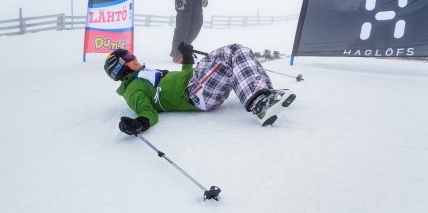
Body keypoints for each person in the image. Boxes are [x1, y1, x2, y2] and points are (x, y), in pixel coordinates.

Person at [104, 43, 296, 135]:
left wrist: (187, 59)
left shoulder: (144, 74)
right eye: (127, 57)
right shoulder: (133, 90)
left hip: (196, 80)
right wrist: (140, 123)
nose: (133, 56)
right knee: (232, 53)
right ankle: (259, 104)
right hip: (195, 94)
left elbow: (176, 79)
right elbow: (147, 112)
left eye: (130, 53)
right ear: (119, 68)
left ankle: (266, 94)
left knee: (239, 52)